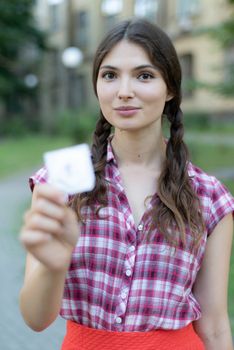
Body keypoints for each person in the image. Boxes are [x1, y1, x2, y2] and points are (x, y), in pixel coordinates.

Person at [19, 18, 234, 350]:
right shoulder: (61, 183)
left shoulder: (209, 197)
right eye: (110, 75)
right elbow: (35, 320)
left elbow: (216, 325)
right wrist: (53, 263)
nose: (123, 91)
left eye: (144, 76)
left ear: (171, 88)